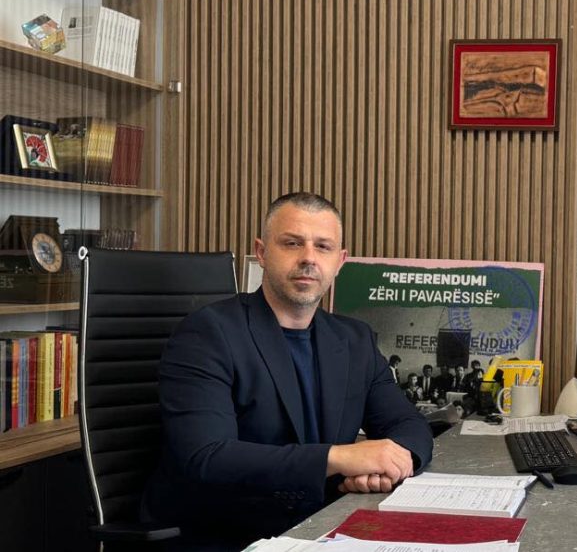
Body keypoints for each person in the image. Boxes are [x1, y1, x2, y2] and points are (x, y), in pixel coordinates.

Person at [142, 192, 433, 546]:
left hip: (323, 528)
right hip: (228, 536)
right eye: (292, 243)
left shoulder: (354, 340)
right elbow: (208, 456)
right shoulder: (208, 334)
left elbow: (408, 424)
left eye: (323, 246)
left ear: (340, 261)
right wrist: (339, 458)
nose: (308, 257)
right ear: (262, 252)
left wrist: (393, 464)